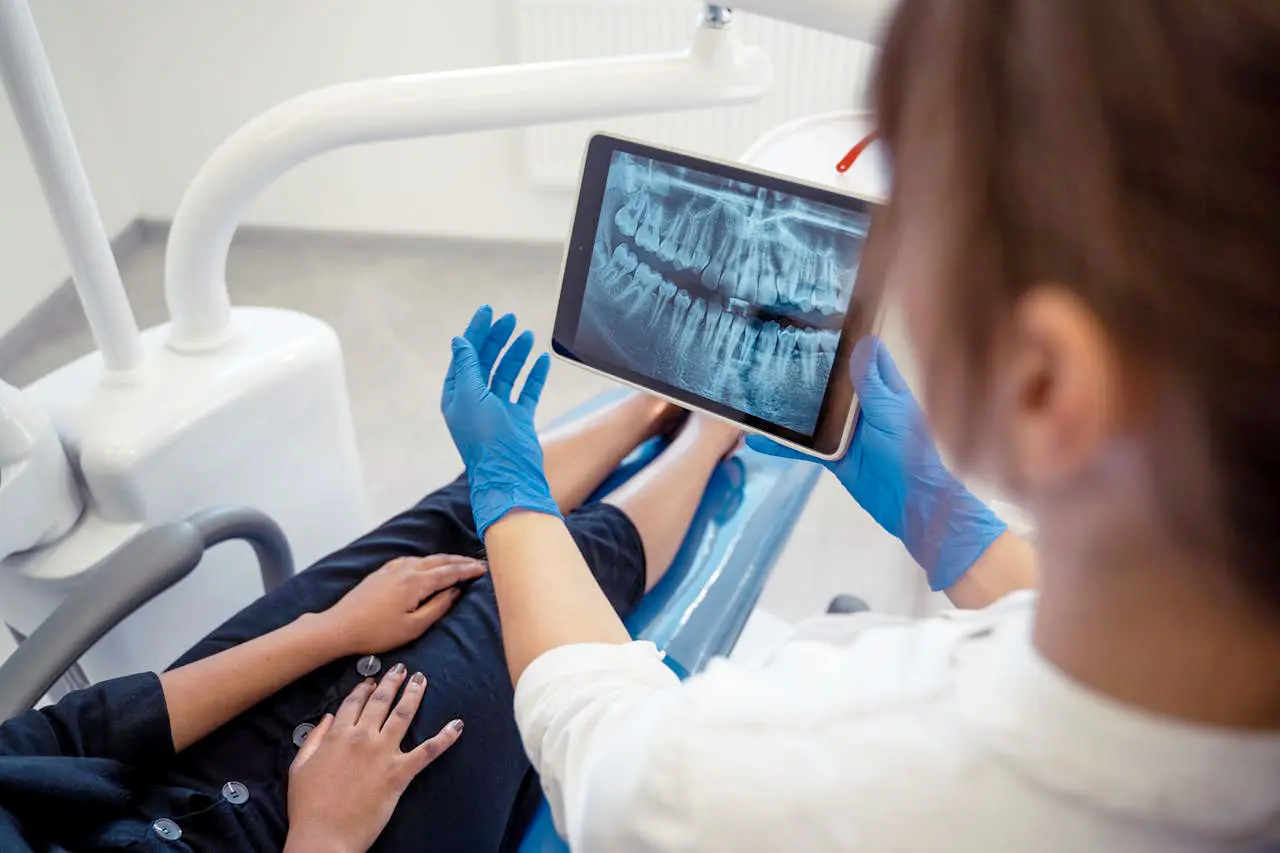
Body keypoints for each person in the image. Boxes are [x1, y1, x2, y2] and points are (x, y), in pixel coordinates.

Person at [438, 2, 1280, 850]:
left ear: (1045, 381)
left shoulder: (792, 775)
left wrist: (509, 490)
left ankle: (690, 430)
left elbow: (599, 744)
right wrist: (948, 520)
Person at [0, 322, 744, 853]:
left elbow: (68, 737)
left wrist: (332, 628)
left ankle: (656, 404)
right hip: (330, 835)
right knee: (542, 587)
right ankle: (715, 428)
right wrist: (324, 829)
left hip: (162, 771)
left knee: (447, 528)